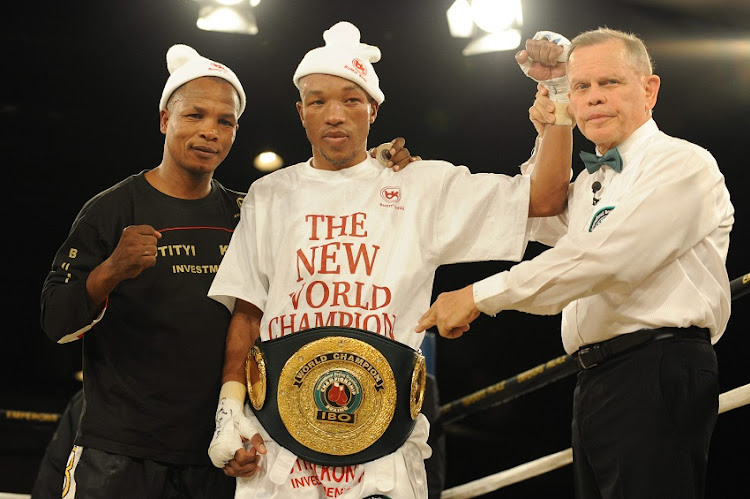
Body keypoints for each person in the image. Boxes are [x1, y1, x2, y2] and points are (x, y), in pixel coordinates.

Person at [205, 20, 571, 499]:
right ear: (301, 112)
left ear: (374, 110)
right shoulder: (269, 194)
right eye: (318, 101)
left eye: (351, 100)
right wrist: (229, 412)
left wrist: (559, 96)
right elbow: (248, 310)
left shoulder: (422, 185)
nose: (334, 114)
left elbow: (544, 199)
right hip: (279, 445)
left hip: (382, 443)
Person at [39, 43, 414, 499]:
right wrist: (112, 269)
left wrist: (378, 169)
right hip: (120, 453)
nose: (209, 132)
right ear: (165, 119)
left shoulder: (247, 211)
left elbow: (324, 222)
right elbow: (56, 321)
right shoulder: (112, 209)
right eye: (194, 116)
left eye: (225, 121)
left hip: (219, 458)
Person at [416, 28, 735, 498]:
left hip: (658, 366)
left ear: (649, 90)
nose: (594, 98)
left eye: (609, 83)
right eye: (581, 87)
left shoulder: (683, 164)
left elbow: (602, 260)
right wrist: (555, 119)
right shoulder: (590, 183)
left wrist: (478, 296)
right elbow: (531, 212)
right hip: (596, 379)